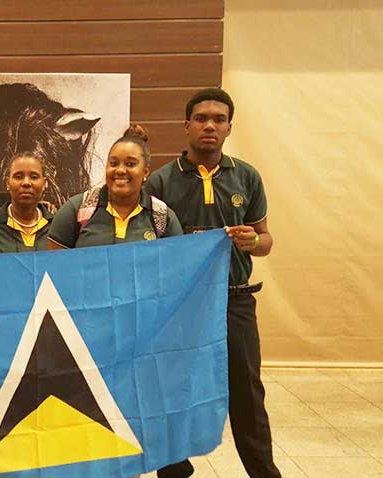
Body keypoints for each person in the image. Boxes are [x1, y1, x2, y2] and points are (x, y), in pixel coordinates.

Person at [145, 88, 279, 478]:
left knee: (247, 393)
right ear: (186, 126)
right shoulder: (161, 182)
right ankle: (173, 471)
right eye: (202, 118)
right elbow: (151, 248)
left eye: (219, 120)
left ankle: (263, 472)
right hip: (179, 306)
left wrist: (253, 242)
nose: (210, 126)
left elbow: (266, 240)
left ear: (229, 128)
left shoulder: (246, 176)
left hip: (234, 300)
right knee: (173, 388)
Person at [47, 125, 182, 250]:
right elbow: (55, 266)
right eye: (114, 163)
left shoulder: (162, 216)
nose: (120, 170)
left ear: (145, 172)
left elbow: (177, 267)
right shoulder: (77, 208)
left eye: (130, 164)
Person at [0, 152, 52, 252]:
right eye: (18, 176)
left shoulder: (57, 226)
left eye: (34, 177)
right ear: (7, 183)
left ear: (44, 183)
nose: (26, 183)